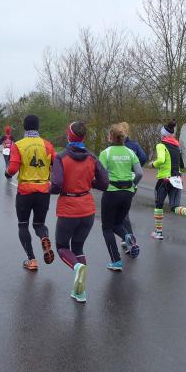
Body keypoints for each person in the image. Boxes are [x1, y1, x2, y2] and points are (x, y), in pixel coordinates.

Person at [50, 121, 109, 303]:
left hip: (69, 209)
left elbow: (56, 184)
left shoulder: (61, 157)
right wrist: (89, 182)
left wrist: (47, 189)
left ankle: (76, 267)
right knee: (78, 247)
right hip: (87, 210)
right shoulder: (92, 157)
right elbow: (105, 183)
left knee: (62, 247)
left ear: (69, 136)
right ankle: (80, 292)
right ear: (83, 137)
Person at [5, 114, 56, 271]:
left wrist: (7, 173)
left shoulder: (19, 145)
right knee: (39, 224)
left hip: (25, 191)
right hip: (43, 190)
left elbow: (12, 169)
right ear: (38, 126)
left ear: (24, 126)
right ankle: (44, 237)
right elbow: (56, 165)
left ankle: (32, 260)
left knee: (23, 225)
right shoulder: (48, 145)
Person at [99, 123, 144, 271]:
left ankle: (116, 261)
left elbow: (101, 175)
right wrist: (133, 185)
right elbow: (139, 173)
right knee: (118, 224)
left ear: (111, 137)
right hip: (127, 193)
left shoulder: (106, 153)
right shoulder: (130, 152)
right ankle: (128, 238)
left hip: (112, 192)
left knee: (107, 228)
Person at [150, 120, 186, 239]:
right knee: (175, 207)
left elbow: (161, 160)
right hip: (177, 179)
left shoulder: (161, 145)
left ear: (163, 135)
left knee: (159, 205)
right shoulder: (177, 146)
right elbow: (181, 164)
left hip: (164, 179)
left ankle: (159, 233)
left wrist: (153, 164)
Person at [116, 122, 145, 257]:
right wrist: (135, 166)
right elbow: (143, 158)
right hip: (133, 182)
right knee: (123, 211)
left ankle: (130, 240)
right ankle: (126, 238)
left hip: (121, 182)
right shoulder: (134, 146)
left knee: (123, 213)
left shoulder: (117, 147)